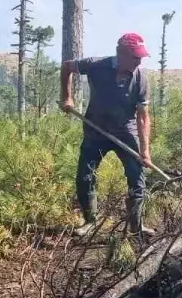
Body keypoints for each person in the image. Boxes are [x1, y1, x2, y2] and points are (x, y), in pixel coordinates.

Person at [60, 32, 153, 234]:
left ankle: (136, 226)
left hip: (125, 133)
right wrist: (67, 97)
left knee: (136, 175)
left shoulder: (140, 78)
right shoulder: (96, 65)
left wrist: (145, 151)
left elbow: (143, 117)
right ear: (121, 53)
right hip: (96, 130)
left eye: (141, 57)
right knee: (85, 176)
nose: (139, 61)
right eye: (135, 56)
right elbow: (67, 67)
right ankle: (90, 222)